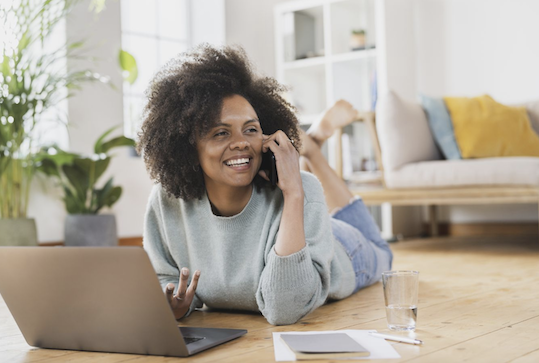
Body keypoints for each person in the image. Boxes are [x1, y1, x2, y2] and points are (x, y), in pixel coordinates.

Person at [137, 44, 392, 326]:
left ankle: (313, 152)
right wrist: (174, 304)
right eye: (221, 133)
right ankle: (312, 142)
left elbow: (285, 309)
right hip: (306, 224)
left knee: (384, 252)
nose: (241, 143)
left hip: (344, 250)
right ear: (188, 146)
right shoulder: (167, 200)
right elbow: (166, 279)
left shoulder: (302, 191)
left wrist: (294, 192)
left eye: (251, 129)